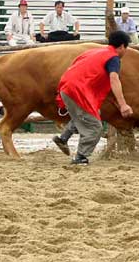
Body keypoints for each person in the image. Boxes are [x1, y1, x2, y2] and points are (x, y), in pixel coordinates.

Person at [53, 30, 133, 165]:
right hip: (77, 91)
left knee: (93, 114)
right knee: (95, 127)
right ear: (121, 47)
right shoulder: (113, 58)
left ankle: (63, 138)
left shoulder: (94, 51)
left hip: (66, 87)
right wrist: (123, 104)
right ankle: (80, 157)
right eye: (126, 48)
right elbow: (114, 79)